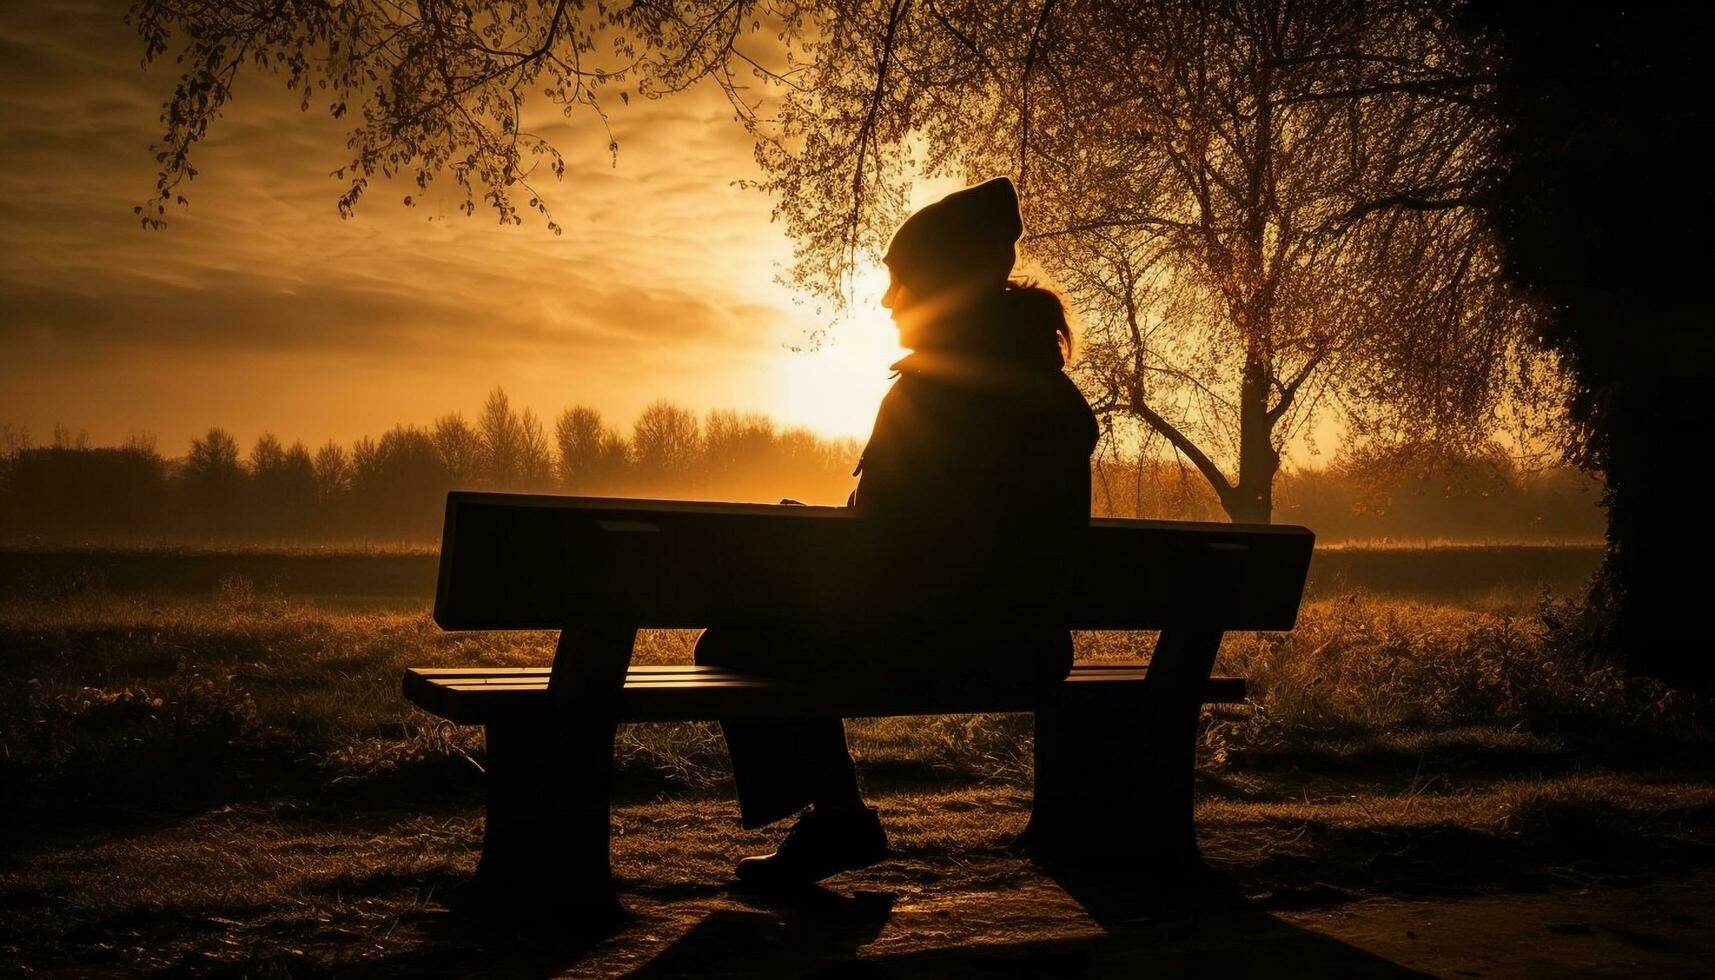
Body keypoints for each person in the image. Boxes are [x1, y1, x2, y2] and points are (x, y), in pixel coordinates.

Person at [695, 176, 1099, 886]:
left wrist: (805, 541)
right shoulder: (1055, 395)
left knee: (733, 640)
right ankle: (835, 820)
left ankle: (837, 818)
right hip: (1031, 647)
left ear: (944, 285)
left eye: (900, 279)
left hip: (937, 642)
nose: (885, 299)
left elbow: (887, 550)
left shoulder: (929, 394)